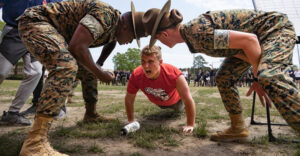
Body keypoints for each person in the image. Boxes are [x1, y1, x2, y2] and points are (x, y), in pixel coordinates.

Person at [16, 0, 163, 155]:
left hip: (58, 33)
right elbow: (77, 47)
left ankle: (90, 114)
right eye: (133, 37)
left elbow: (111, 42)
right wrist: (100, 74)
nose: (131, 41)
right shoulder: (105, 15)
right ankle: (34, 142)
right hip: (36, 22)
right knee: (66, 66)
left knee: (89, 69)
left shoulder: (114, 27)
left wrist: (98, 65)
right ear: (126, 26)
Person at [144, 0, 300, 141]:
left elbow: (249, 40)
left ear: (164, 34)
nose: (160, 43)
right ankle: (238, 127)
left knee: (269, 77)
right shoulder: (193, 37)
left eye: (157, 39)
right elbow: (239, 48)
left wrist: (258, 76)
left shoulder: (198, 34)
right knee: (224, 78)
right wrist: (257, 69)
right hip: (256, 41)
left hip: (275, 30)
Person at [0, 0, 63, 126]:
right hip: (14, 31)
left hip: (35, 35)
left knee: (36, 72)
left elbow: (58, 9)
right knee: (1, 72)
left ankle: (13, 113)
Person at [125, 45, 195, 133]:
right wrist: (131, 121)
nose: (146, 66)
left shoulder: (174, 74)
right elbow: (129, 99)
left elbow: (188, 100)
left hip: (176, 102)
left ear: (160, 62)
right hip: (159, 102)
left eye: (151, 61)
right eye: (143, 61)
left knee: (180, 107)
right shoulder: (136, 75)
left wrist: (190, 124)